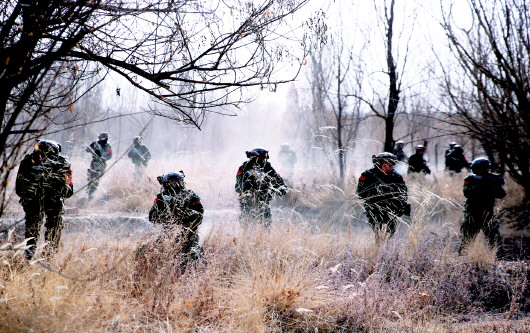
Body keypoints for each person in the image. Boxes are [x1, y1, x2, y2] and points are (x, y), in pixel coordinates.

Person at [15, 140, 74, 259]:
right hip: (33, 202)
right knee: (32, 234)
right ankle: (29, 258)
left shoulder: (62, 164)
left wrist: (59, 185)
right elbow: (20, 189)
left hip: (54, 203)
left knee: (54, 232)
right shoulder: (28, 163)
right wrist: (34, 185)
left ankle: (48, 258)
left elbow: (69, 191)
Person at [148, 171, 204, 262]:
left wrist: (185, 214)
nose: (174, 185)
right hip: (167, 235)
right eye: (171, 183)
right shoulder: (161, 197)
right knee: (145, 250)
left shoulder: (191, 195)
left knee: (192, 254)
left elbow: (199, 216)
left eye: (175, 182)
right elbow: (152, 217)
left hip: (189, 236)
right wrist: (168, 216)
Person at [357, 152, 410, 241]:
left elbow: (403, 193)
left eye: (390, 166)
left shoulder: (397, 176)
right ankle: (378, 247)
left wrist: (403, 204)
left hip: (392, 207)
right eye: (385, 165)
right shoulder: (368, 175)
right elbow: (361, 193)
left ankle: (386, 249)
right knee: (378, 230)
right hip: (374, 207)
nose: (388, 168)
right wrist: (376, 192)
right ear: (379, 165)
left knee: (391, 232)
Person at [459, 157, 506, 256]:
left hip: (487, 213)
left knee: (494, 238)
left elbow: (501, 194)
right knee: (467, 238)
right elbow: (467, 193)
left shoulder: (492, 179)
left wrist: (493, 186)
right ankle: (462, 257)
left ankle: (499, 257)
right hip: (472, 213)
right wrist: (480, 186)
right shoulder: (470, 179)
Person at [235, 147, 287, 227]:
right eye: (259, 158)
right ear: (253, 158)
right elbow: (238, 188)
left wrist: (281, 189)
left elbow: (278, 181)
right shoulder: (244, 168)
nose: (261, 161)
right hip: (247, 203)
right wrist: (249, 182)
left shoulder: (267, 167)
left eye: (263, 158)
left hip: (263, 202)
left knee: (266, 226)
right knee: (248, 226)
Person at [86, 132, 112, 200]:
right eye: (104, 139)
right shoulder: (95, 143)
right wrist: (92, 150)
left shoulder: (107, 146)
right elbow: (87, 149)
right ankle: (89, 190)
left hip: (102, 164)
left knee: (97, 178)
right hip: (94, 162)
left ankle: (92, 193)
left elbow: (110, 155)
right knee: (91, 176)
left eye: (106, 139)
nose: (105, 140)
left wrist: (103, 157)